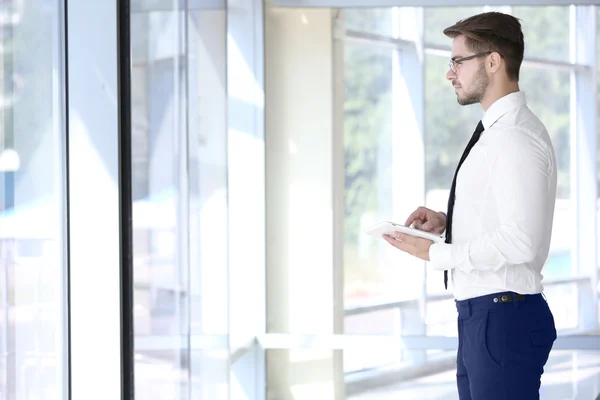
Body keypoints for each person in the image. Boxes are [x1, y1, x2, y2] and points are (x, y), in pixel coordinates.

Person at [382, 12, 558, 400]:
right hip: (487, 316)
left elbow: (521, 240)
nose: (450, 74)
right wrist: (447, 223)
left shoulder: (513, 137)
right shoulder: (498, 133)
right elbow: (504, 218)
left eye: (457, 61)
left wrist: (438, 254)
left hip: (502, 317)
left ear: (493, 62)